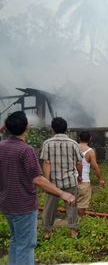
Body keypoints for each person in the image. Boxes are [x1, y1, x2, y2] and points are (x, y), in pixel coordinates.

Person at [0, 111, 76, 265]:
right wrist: (62, 193)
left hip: (7, 203)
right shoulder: (25, 150)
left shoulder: (2, 146)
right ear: (27, 127)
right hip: (24, 205)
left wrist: (4, 127)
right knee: (26, 245)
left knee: (16, 239)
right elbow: (37, 178)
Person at [41, 117, 83, 239]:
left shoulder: (47, 143)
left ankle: (47, 233)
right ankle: (73, 231)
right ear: (66, 128)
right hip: (70, 181)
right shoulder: (73, 144)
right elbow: (79, 163)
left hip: (53, 183)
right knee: (71, 206)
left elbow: (46, 163)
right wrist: (79, 175)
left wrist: (46, 181)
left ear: (52, 129)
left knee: (49, 208)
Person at [77, 131, 105, 217]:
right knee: (81, 204)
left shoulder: (73, 148)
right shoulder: (90, 151)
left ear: (79, 138)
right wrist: (100, 179)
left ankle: (72, 223)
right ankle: (80, 222)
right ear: (90, 139)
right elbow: (95, 167)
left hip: (71, 180)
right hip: (83, 180)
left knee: (71, 202)